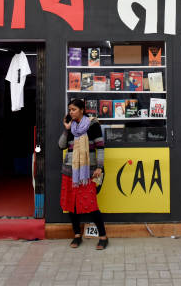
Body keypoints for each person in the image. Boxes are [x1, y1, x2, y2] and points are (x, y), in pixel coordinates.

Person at [59, 99, 109, 250]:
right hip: (70, 172)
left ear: (82, 110)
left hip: (87, 172)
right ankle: (76, 235)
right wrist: (66, 129)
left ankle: (103, 237)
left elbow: (100, 147)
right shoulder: (71, 127)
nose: (71, 112)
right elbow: (61, 145)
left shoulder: (93, 125)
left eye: (74, 109)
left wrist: (99, 167)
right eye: (70, 109)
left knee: (91, 205)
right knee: (72, 205)